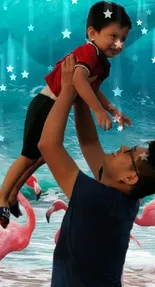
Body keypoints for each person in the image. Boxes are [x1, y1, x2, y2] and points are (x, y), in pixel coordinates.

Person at [38, 54, 155, 287]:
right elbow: (90, 142)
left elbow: (48, 146)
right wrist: (82, 95)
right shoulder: (121, 197)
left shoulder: (98, 200)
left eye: (131, 154)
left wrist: (68, 90)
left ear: (130, 178)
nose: (123, 147)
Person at [0, 1, 132, 228]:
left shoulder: (103, 63)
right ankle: (2, 198)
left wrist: (113, 110)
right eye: (113, 36)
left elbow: (94, 88)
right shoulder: (89, 52)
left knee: (40, 157)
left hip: (55, 106)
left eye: (123, 39)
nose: (119, 44)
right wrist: (97, 110)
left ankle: (12, 197)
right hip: (45, 104)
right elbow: (79, 80)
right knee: (27, 156)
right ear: (92, 33)